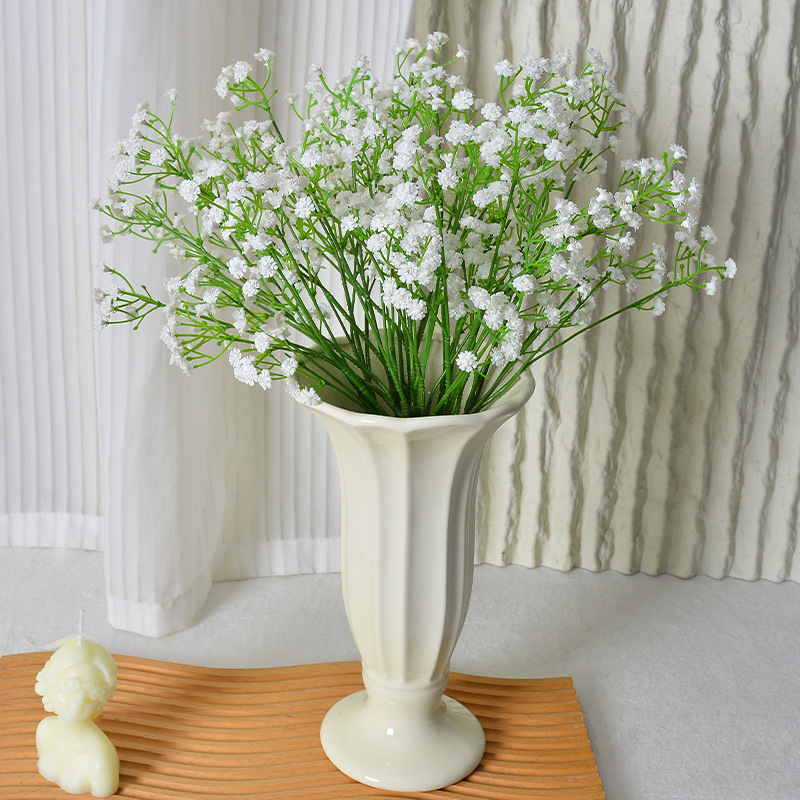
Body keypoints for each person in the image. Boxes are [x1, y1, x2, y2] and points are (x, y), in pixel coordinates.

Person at [34, 637, 119, 797]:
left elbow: (105, 791)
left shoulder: (99, 758)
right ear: (49, 686)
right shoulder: (45, 730)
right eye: (68, 689)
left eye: (90, 694)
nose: (78, 702)